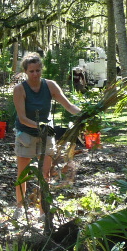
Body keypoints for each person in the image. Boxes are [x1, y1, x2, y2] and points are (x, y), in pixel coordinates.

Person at [13, 52, 80, 214]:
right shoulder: (19, 89)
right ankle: (20, 207)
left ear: (41, 70)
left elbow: (69, 106)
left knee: (45, 174)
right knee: (23, 173)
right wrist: (39, 126)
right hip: (26, 135)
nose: (35, 74)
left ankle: (43, 211)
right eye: (31, 71)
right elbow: (22, 118)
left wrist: (85, 113)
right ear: (25, 72)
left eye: (38, 70)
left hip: (46, 134)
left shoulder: (50, 86)